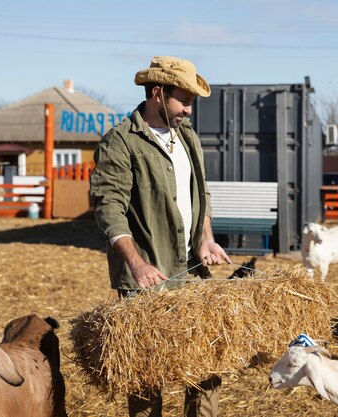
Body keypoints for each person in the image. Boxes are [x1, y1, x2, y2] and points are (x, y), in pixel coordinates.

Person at [90, 56, 231, 417]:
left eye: (192, 102)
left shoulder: (189, 139)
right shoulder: (120, 142)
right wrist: (137, 265)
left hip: (193, 272)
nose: (188, 110)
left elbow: (201, 195)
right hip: (147, 280)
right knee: (146, 374)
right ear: (156, 93)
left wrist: (206, 239)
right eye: (183, 100)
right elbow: (109, 209)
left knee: (205, 368)